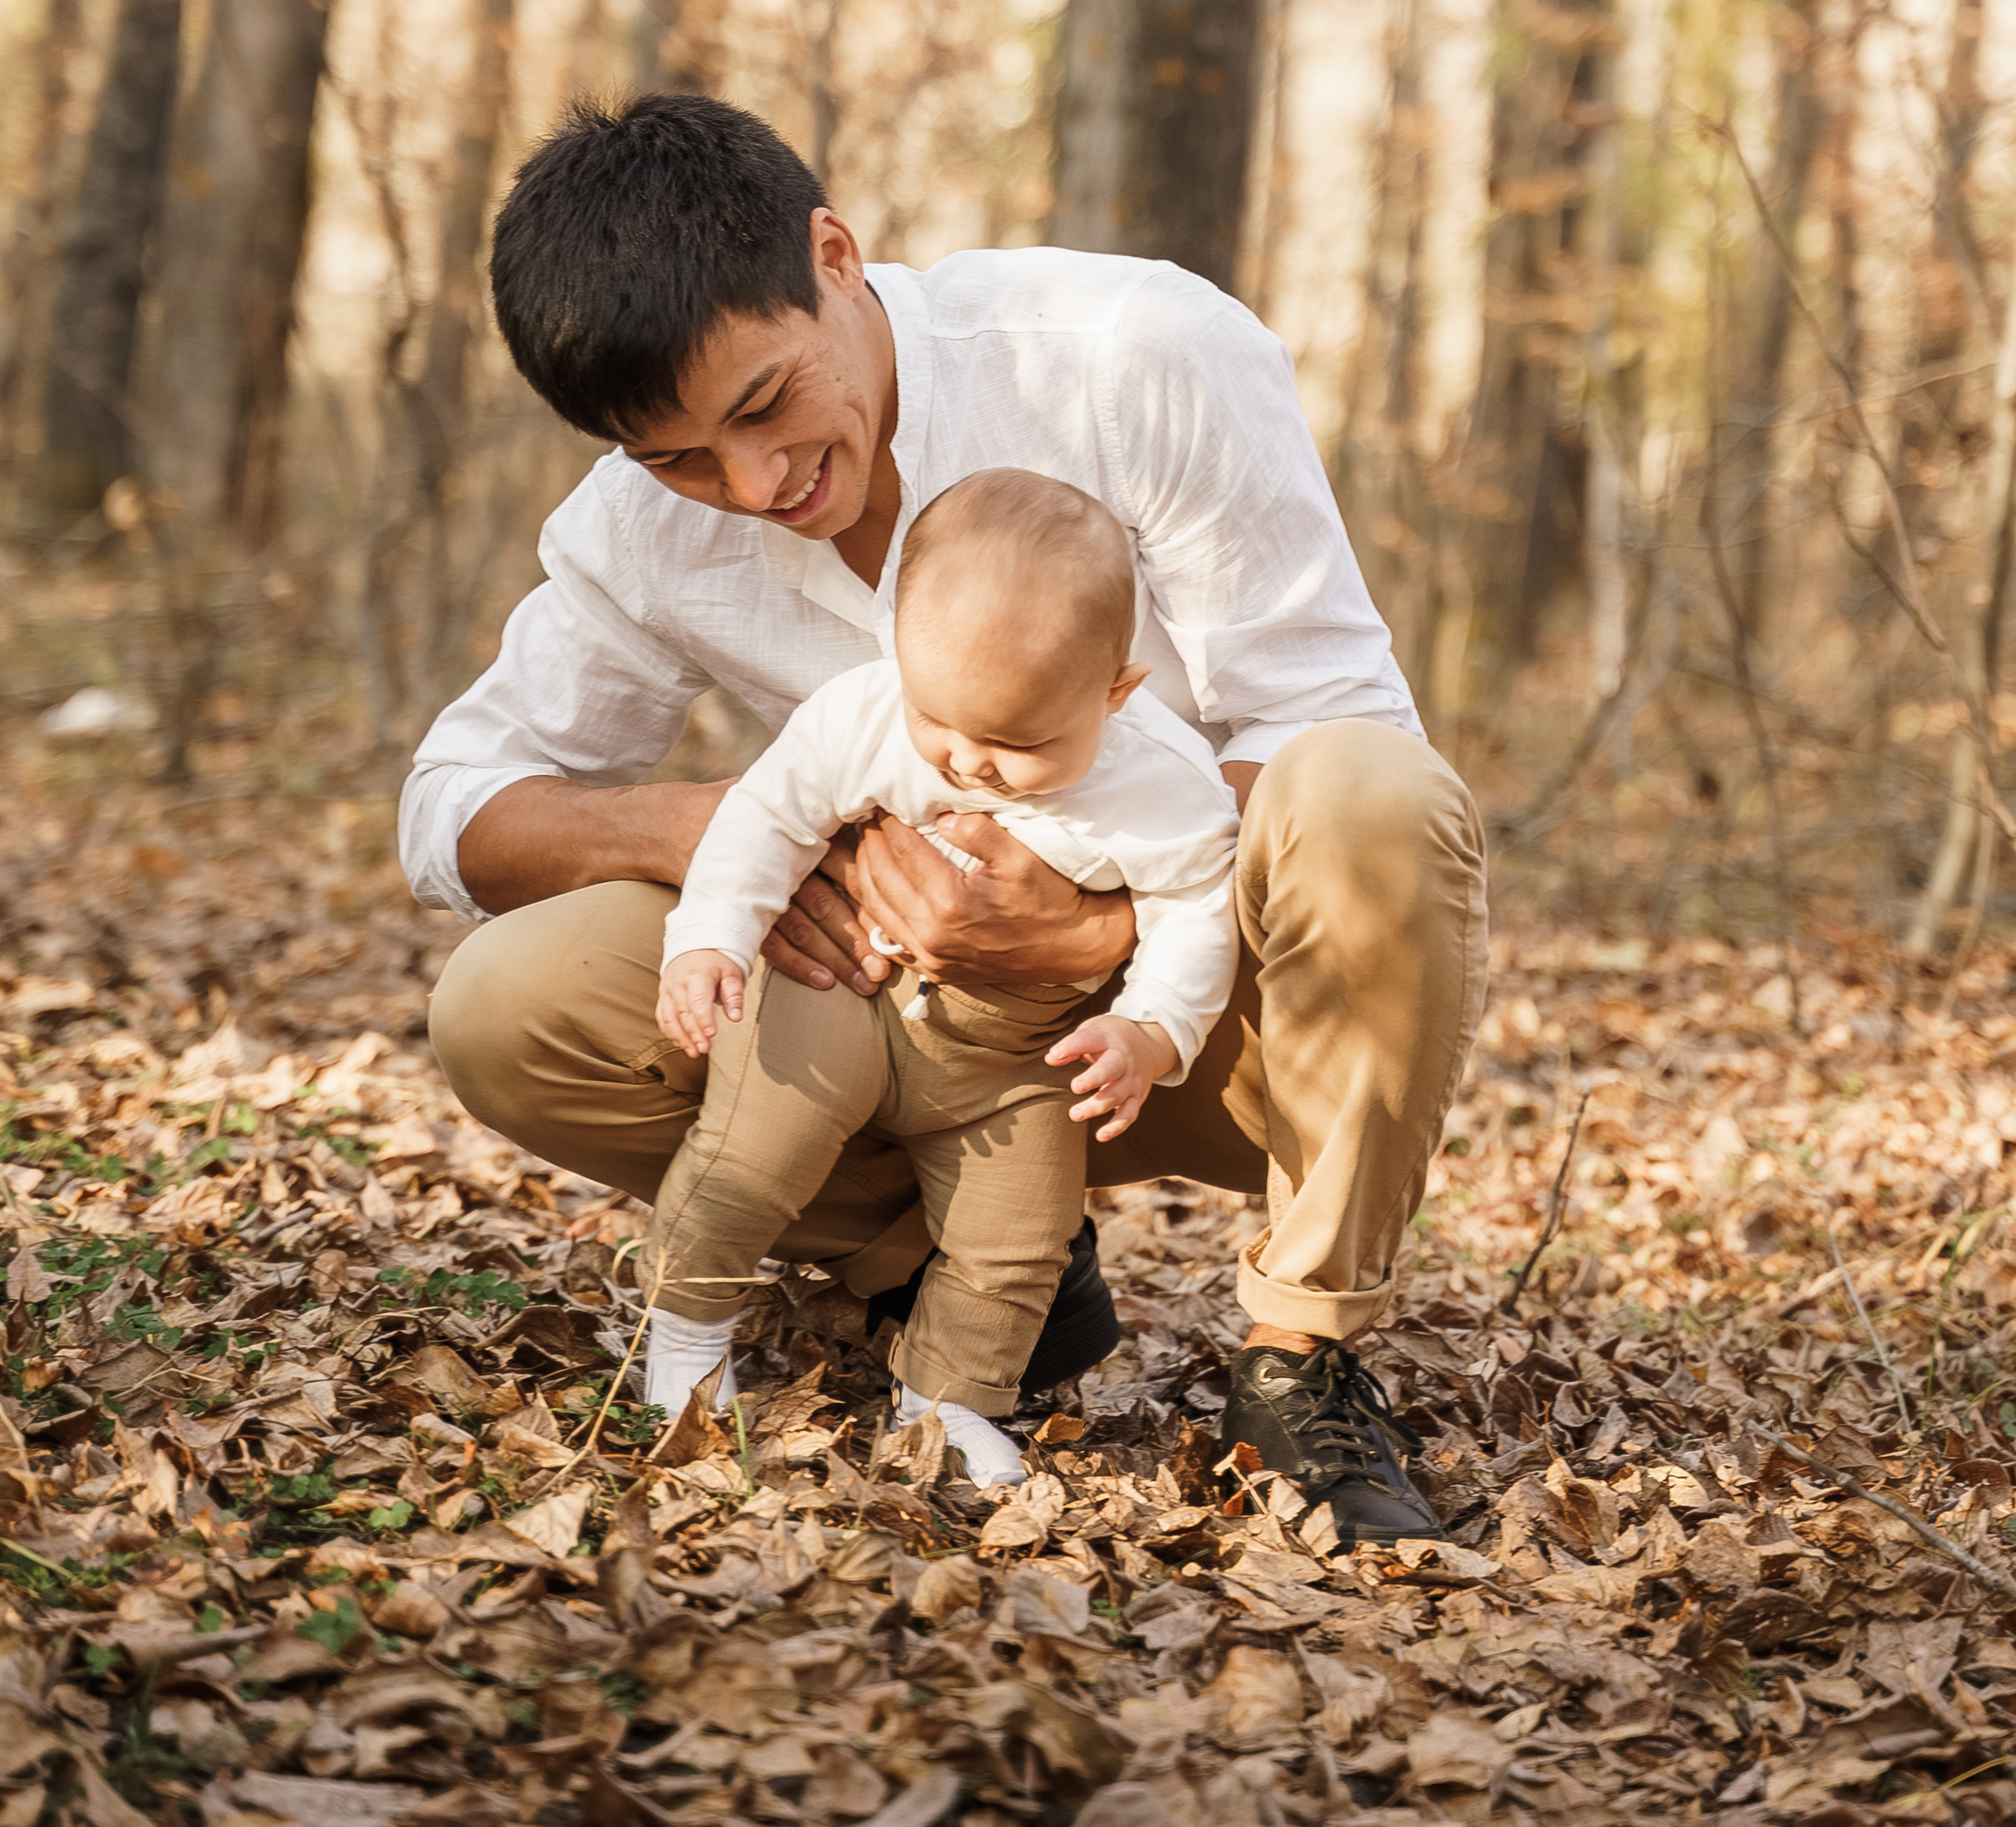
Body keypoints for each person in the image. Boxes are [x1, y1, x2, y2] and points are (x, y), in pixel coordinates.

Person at [406, 93, 1488, 1551]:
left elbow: (1339, 741)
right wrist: (700, 826)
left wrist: (1093, 927)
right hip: (897, 1036)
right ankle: (935, 1264)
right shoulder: (640, 525)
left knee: (1378, 798)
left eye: (764, 406)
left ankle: (1302, 1362)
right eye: (678, 461)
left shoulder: (1133, 356)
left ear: (836, 256)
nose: (756, 488)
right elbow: (451, 813)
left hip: (1197, 1026)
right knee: (506, 1005)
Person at [644, 466, 1240, 1487]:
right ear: (900, 656)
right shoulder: (867, 712)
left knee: (1019, 1240)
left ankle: (945, 1403)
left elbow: (1199, 907)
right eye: (945, 726)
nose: (969, 763)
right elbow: (768, 816)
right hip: (845, 988)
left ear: (1116, 693)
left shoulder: (1166, 786)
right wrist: (709, 935)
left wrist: (1150, 1028)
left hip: (1012, 1054)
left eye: (1019, 743)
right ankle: (687, 1329)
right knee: (754, 1146)